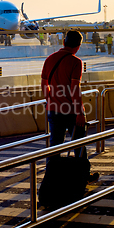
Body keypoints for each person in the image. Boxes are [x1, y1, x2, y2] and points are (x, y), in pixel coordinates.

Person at [41, 30, 98, 182]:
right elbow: (75, 89)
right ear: (78, 46)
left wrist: (50, 100)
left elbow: (44, 84)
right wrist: (80, 112)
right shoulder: (75, 62)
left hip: (53, 109)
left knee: (55, 145)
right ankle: (82, 176)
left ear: (64, 42)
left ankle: (52, 178)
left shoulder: (50, 59)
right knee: (79, 143)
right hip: (71, 111)